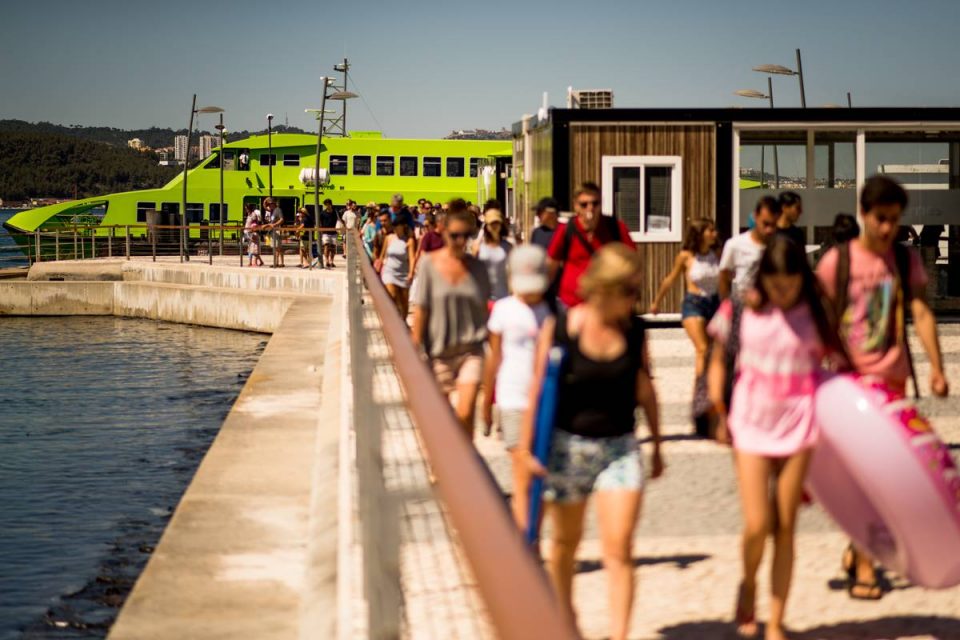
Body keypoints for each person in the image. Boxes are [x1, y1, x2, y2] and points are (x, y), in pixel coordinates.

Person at [816, 175, 949, 600]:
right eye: (880, 219)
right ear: (864, 214)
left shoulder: (904, 260)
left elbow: (921, 311)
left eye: (894, 219)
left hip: (891, 381)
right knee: (864, 478)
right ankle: (867, 566)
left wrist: (936, 367)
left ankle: (860, 553)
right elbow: (816, 322)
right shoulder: (837, 263)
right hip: (848, 385)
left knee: (888, 478)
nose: (888, 228)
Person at [708, 233, 847, 640]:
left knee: (785, 525)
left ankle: (774, 622)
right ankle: (749, 583)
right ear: (763, 277)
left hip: (799, 425)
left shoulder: (816, 313)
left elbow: (838, 363)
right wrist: (718, 410)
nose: (783, 293)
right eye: (775, 284)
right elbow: (718, 360)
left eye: (790, 285)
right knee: (756, 523)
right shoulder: (739, 308)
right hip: (749, 423)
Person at [522, 244, 662, 640]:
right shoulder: (564, 327)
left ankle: (619, 635)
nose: (636, 300)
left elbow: (645, 388)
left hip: (619, 449)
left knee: (618, 550)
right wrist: (531, 449)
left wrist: (658, 444)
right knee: (564, 545)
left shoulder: (634, 331)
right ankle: (567, 620)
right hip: (568, 449)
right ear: (606, 288)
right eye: (631, 291)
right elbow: (538, 389)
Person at [481, 244, 552, 528]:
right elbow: (494, 357)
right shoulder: (503, 310)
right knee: (522, 472)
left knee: (541, 477)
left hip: (546, 400)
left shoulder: (553, 310)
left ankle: (531, 535)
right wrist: (487, 401)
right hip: (512, 398)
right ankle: (526, 540)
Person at [412, 209, 491, 438]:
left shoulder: (478, 268)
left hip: (471, 351)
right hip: (438, 352)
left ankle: (466, 463)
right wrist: (415, 348)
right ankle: (441, 470)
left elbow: (485, 311)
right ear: (444, 232)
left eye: (466, 235)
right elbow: (421, 310)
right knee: (441, 418)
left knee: (465, 413)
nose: (461, 241)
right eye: (455, 235)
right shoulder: (429, 265)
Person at [649, 218, 721, 377]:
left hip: (714, 303)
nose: (714, 233)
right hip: (694, 304)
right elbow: (670, 279)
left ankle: (710, 389)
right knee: (702, 349)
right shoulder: (686, 256)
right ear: (700, 234)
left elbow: (724, 279)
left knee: (712, 351)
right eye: (710, 230)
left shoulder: (716, 253)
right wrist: (656, 302)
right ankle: (700, 394)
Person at [547, 183, 635, 309]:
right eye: (584, 205)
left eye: (595, 204)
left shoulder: (615, 228)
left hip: (606, 306)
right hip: (573, 305)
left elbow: (632, 262)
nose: (590, 209)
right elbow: (551, 267)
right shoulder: (567, 229)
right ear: (576, 206)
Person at [719, 196, 781, 300]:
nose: (769, 230)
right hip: (744, 304)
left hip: (772, 306)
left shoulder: (781, 245)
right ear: (756, 216)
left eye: (773, 225)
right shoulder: (735, 244)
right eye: (765, 224)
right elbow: (724, 275)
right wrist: (726, 304)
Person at [378, 210, 417, 318]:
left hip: (403, 274)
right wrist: (379, 267)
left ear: (403, 226)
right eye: (394, 226)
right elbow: (383, 255)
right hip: (389, 272)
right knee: (392, 296)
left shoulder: (409, 241)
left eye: (397, 226)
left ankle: (402, 323)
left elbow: (412, 258)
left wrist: (411, 273)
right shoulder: (389, 238)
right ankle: (393, 319)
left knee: (404, 304)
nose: (395, 228)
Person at [472, 208, 513, 302]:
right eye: (491, 223)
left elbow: (512, 272)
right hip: (482, 297)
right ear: (486, 226)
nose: (494, 226)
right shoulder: (477, 246)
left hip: (503, 296)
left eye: (497, 223)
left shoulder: (508, 247)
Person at [262, 198, 285, 268]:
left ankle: (277, 262)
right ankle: (278, 262)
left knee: (277, 247)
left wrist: (274, 225)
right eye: (268, 204)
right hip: (273, 231)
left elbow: (282, 219)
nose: (269, 205)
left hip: (277, 230)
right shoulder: (272, 211)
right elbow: (264, 207)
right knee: (276, 247)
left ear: (273, 204)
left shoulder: (278, 210)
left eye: (270, 204)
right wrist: (265, 200)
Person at [319, 199, 338, 269]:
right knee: (326, 246)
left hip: (334, 232)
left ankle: (332, 261)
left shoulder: (335, 213)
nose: (327, 206)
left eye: (328, 204)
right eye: (326, 204)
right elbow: (320, 222)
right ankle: (326, 260)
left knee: (333, 248)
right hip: (325, 233)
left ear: (331, 204)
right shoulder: (322, 213)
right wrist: (321, 230)